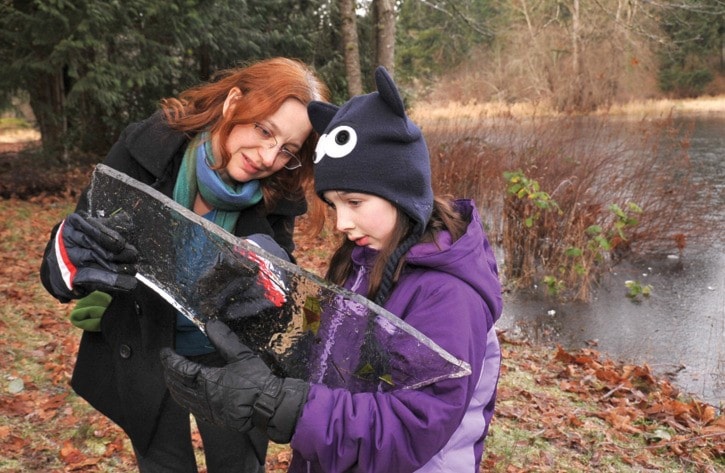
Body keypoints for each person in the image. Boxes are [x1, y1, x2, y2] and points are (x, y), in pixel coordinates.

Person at [161, 66, 503, 472]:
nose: (341, 223)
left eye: (354, 203)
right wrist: (274, 304)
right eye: (334, 204)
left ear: (403, 192)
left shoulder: (449, 295)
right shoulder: (364, 261)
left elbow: (413, 426)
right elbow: (334, 352)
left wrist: (285, 405)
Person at [39, 57, 330, 473]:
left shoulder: (277, 191)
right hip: (144, 351)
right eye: (264, 130)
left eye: (287, 150)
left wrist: (272, 270)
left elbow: (283, 292)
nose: (268, 156)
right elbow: (72, 253)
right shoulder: (148, 148)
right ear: (233, 102)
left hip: (230, 361)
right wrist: (67, 253)